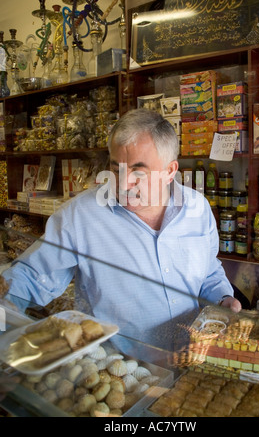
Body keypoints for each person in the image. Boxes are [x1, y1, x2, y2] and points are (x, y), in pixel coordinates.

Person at [1, 108, 241, 350]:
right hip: (124, 371)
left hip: (194, 359)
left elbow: (209, 272)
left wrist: (223, 298)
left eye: (138, 171)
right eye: (116, 169)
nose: (124, 184)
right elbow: (30, 276)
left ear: (169, 172)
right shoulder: (81, 215)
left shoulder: (197, 208)